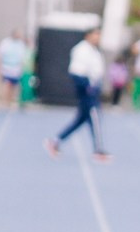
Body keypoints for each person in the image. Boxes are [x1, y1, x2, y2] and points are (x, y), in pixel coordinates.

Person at [47, 27, 111, 162]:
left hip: (93, 86)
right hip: (88, 89)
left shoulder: (94, 50)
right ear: (88, 35)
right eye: (95, 34)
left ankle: (55, 141)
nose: (98, 37)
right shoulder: (81, 50)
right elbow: (76, 71)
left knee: (81, 120)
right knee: (95, 117)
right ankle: (98, 150)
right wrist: (87, 86)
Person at [0, 29, 32, 108]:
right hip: (7, 67)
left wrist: (21, 68)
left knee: (14, 87)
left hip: (16, 69)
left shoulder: (20, 44)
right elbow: (0, 56)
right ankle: (4, 102)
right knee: (6, 85)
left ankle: (9, 102)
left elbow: (23, 57)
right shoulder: (5, 43)